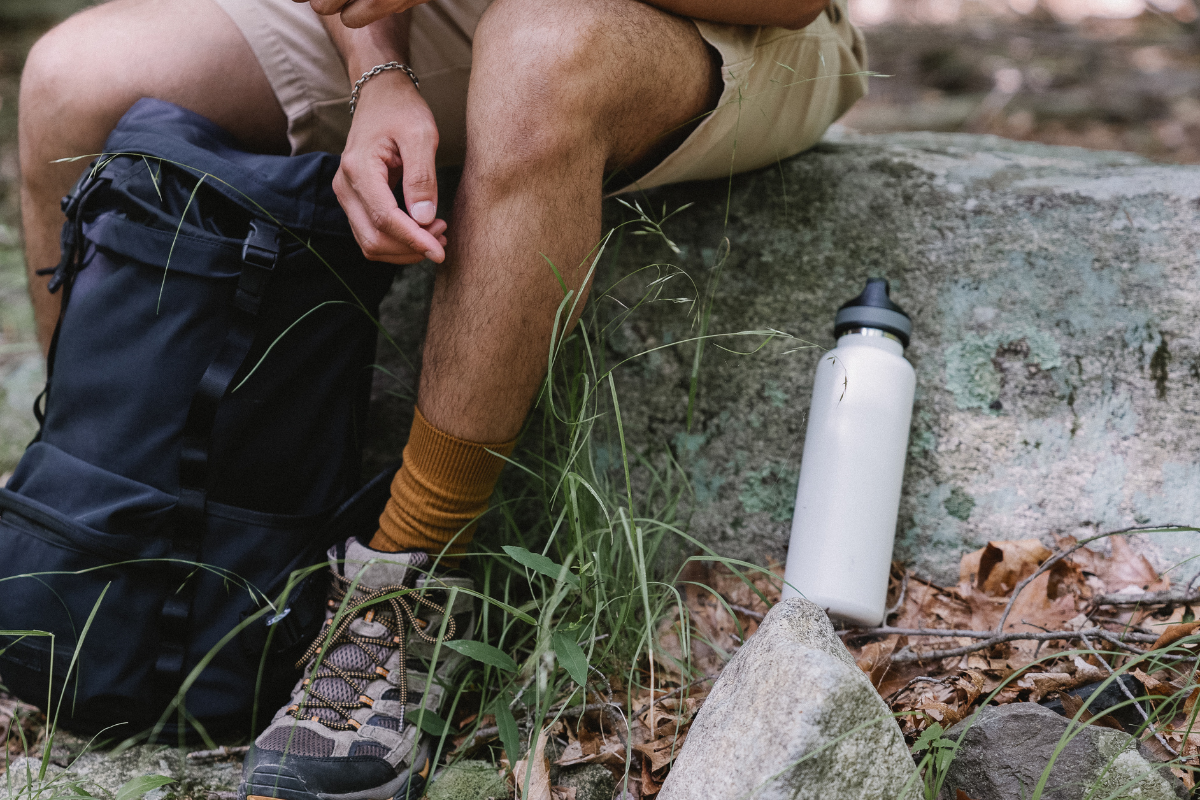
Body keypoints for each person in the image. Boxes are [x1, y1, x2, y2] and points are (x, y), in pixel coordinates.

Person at [18, 0, 867, 796]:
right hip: (467, 21)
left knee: (538, 47)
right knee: (73, 79)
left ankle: (399, 597)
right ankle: (79, 519)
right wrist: (375, 69)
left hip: (729, 31)